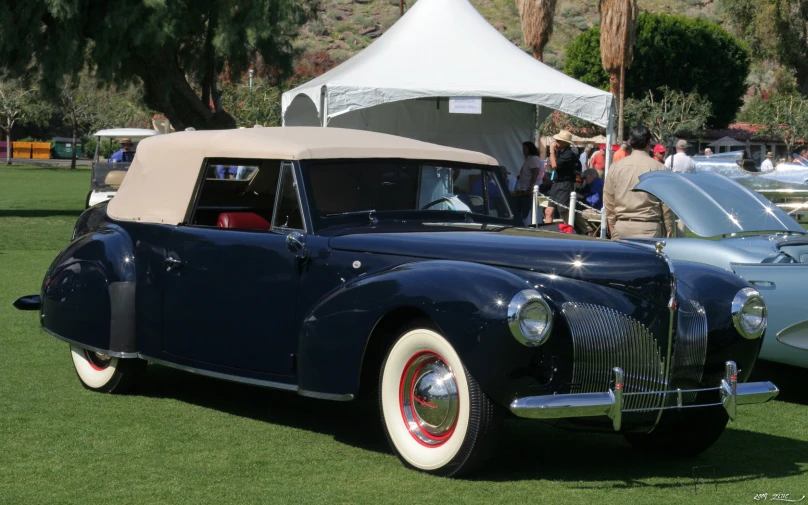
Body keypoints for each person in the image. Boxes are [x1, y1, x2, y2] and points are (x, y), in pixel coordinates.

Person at [603, 125, 675, 240]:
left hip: (621, 227)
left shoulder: (615, 167)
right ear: (649, 142)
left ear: (630, 143)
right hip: (649, 228)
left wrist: (612, 228)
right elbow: (667, 207)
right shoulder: (660, 169)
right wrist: (670, 231)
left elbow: (608, 201)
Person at [544, 130, 581, 225]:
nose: (555, 142)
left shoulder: (568, 153)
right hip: (555, 184)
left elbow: (554, 165)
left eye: (558, 141)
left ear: (565, 143)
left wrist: (551, 151)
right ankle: (549, 232)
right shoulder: (560, 152)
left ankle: (568, 231)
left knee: (563, 211)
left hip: (564, 185)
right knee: (548, 212)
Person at [514, 141, 543, 222]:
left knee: (529, 207)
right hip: (524, 187)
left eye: (525, 149)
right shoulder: (528, 159)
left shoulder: (534, 158)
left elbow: (535, 172)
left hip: (532, 188)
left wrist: (531, 186)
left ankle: (529, 222)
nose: (523, 151)